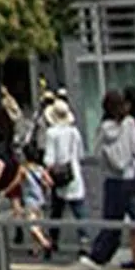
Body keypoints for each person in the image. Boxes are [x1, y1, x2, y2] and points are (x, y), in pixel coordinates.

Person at [84, 89, 135, 269]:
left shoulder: (103, 129)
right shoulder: (131, 123)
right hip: (131, 175)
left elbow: (96, 152)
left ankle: (100, 255)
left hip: (113, 178)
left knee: (112, 220)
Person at [41, 96, 89, 253]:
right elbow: (80, 153)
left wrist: (46, 173)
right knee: (79, 209)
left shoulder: (51, 133)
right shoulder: (74, 132)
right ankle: (84, 240)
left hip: (58, 174)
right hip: (74, 172)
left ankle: (53, 240)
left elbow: (49, 158)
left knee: (56, 210)